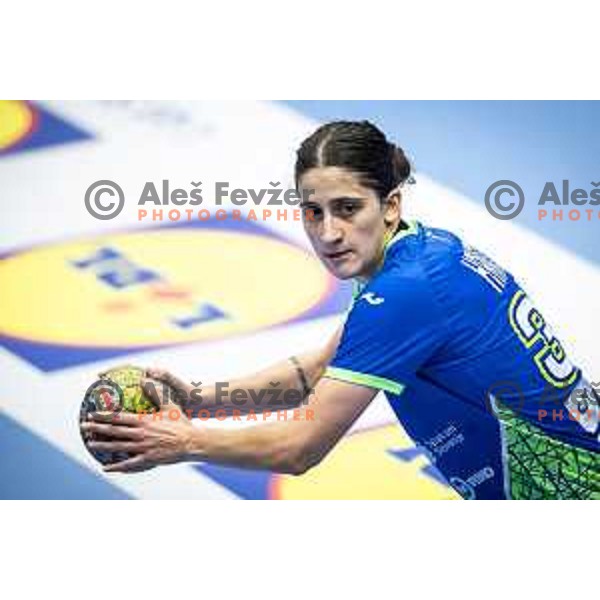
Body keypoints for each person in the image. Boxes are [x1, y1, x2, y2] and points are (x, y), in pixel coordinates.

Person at [81, 120, 599, 499]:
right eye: (313, 212)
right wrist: (199, 401)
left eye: (348, 209)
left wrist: (186, 441)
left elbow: (299, 448)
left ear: (390, 205)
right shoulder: (418, 253)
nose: (328, 233)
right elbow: (321, 368)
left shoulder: (406, 292)